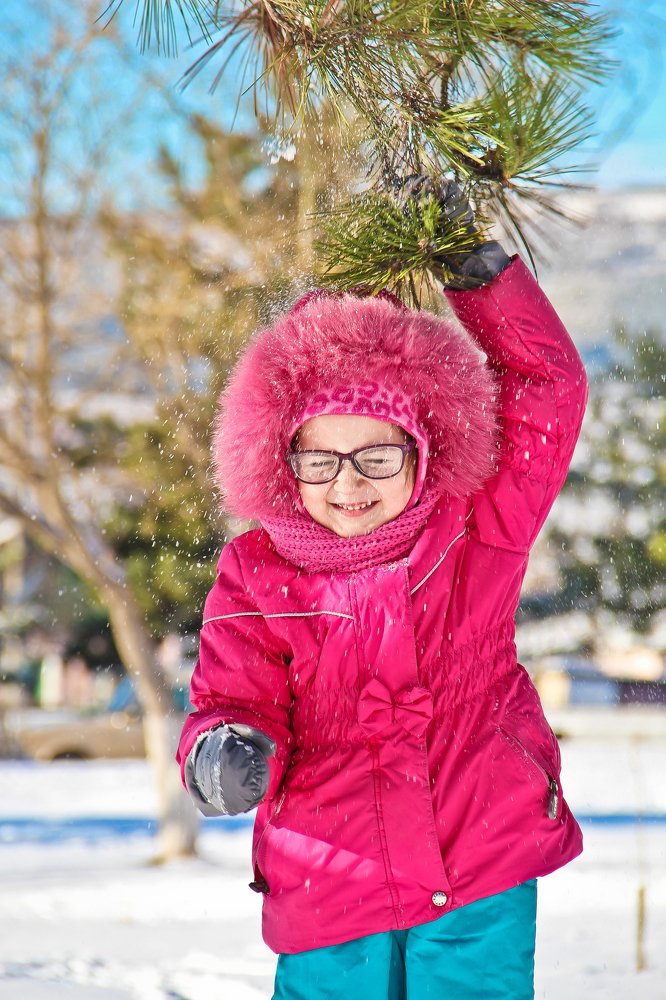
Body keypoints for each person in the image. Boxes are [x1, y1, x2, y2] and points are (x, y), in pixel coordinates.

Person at [177, 179, 588, 1000]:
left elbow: (549, 392)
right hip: (330, 868)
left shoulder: (478, 530)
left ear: (424, 449)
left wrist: (481, 280)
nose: (348, 485)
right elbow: (232, 695)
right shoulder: (257, 574)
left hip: (482, 855)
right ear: (281, 459)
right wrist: (223, 748)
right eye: (320, 460)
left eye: (377, 457)